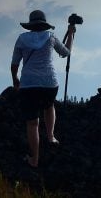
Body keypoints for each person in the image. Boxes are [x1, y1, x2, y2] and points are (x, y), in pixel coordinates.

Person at [11, 9, 74, 167]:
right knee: (49, 105)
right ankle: (51, 136)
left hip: (29, 84)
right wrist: (71, 34)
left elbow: (14, 64)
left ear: (31, 25)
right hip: (49, 83)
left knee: (32, 123)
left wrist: (15, 80)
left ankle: (35, 160)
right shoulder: (50, 36)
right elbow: (65, 53)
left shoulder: (21, 39)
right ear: (44, 24)